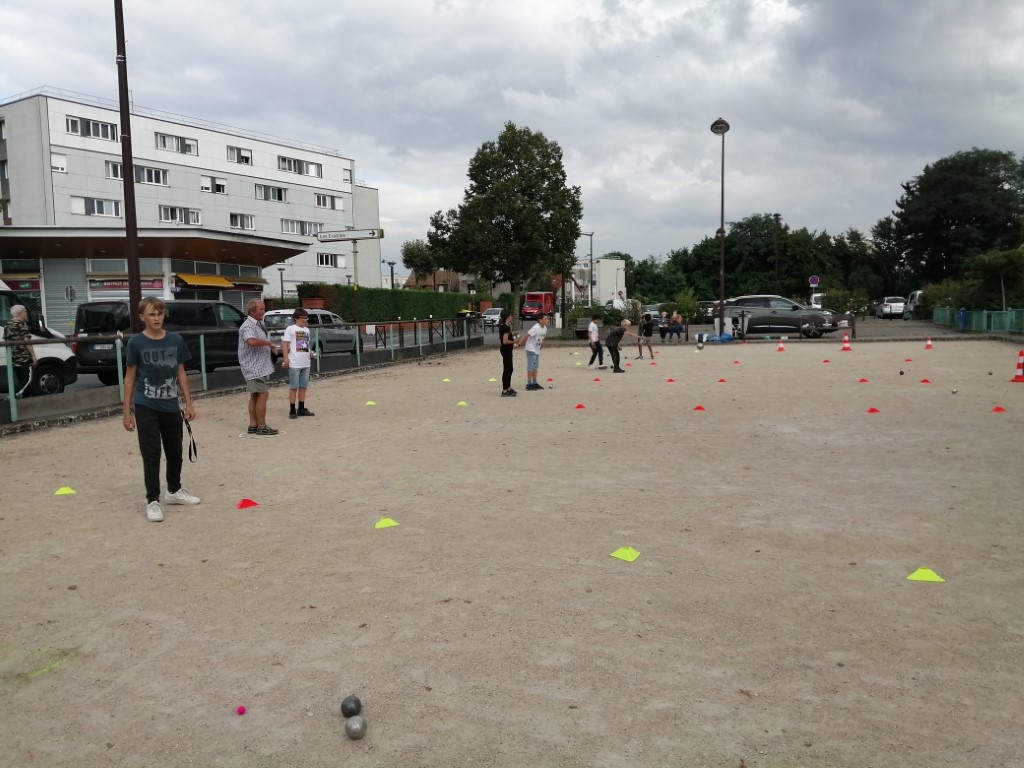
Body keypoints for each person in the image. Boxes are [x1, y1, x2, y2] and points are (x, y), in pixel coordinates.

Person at [122, 297, 199, 523]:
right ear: (142, 317)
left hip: (170, 405)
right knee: (151, 452)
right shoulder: (136, 343)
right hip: (146, 404)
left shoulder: (175, 340)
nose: (156, 318)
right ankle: (152, 500)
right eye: (152, 314)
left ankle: (174, 490)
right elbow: (129, 378)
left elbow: (181, 373)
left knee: (175, 450)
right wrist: (127, 411)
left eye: (159, 313)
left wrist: (189, 402)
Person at [238, 298, 280, 435]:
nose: (264, 311)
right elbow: (251, 341)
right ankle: (261, 426)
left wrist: (269, 345)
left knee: (255, 395)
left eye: (263, 308)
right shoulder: (248, 326)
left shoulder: (258, 324)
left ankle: (253, 425)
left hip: (257, 366)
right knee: (263, 394)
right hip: (253, 367)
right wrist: (268, 344)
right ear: (252, 311)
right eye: (261, 309)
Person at [281, 307, 315, 420]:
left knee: (303, 387)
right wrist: (286, 359)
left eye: (306, 318)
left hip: (305, 362)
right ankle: (292, 409)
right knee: (294, 387)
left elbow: (305, 345)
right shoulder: (290, 329)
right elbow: (285, 345)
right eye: (303, 318)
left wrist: (310, 353)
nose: (305, 320)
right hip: (294, 363)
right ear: (296, 318)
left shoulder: (306, 330)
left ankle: (301, 407)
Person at [4, 304, 36, 398]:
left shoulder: (7, 324)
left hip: (13, 357)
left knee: (19, 379)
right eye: (25, 311)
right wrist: (33, 356)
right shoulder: (21, 324)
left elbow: (7, 340)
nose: (26, 313)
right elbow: (27, 341)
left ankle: (19, 399)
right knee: (26, 380)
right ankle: (21, 399)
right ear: (20, 313)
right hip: (23, 357)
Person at [522, 315, 548, 390]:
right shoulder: (536, 328)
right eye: (545, 319)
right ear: (540, 320)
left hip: (537, 349)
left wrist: (542, 344)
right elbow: (527, 335)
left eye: (547, 318)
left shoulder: (545, 328)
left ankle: (534, 382)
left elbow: (543, 337)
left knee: (535, 367)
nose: (547, 320)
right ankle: (529, 384)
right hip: (531, 348)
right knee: (530, 367)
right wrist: (520, 343)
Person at [498, 308, 517, 397]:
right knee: (507, 369)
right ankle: (505, 390)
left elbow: (506, 337)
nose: (512, 317)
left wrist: (512, 334)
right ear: (508, 317)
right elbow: (505, 341)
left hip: (507, 350)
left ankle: (508, 387)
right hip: (506, 350)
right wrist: (514, 341)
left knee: (510, 368)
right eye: (510, 316)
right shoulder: (505, 328)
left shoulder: (505, 327)